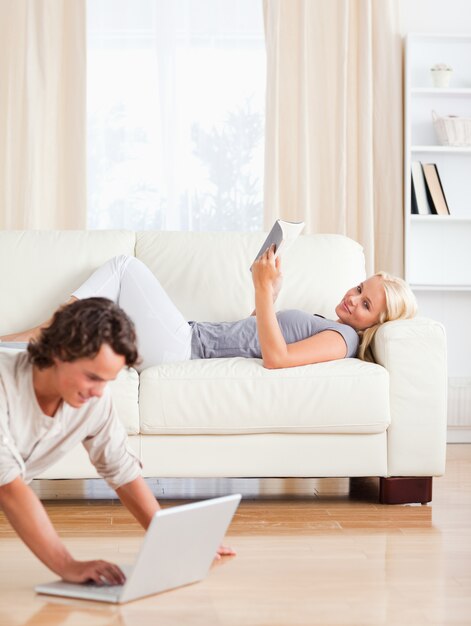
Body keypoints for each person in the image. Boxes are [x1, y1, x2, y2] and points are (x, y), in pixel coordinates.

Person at [0, 298, 234, 586]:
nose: (98, 392)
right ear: (60, 351)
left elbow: (121, 470)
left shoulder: (91, 400)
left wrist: (172, 540)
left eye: (106, 381)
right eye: (92, 377)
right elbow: (8, 487)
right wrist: (67, 565)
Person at [1, 246, 417, 370]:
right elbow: (255, 336)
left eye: (364, 304)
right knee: (82, 339)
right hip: (189, 339)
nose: (352, 298)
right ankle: (14, 347)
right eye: (360, 288)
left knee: (124, 267)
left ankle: (41, 330)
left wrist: (259, 289)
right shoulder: (332, 322)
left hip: (188, 349)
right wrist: (270, 296)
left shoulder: (343, 339)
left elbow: (277, 358)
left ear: (375, 324)